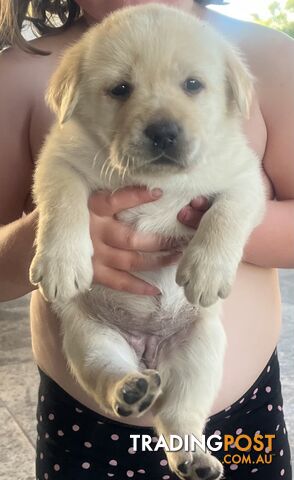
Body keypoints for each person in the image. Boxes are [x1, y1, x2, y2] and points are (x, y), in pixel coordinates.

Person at [0, 0, 293, 478]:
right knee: (91, 339)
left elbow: (245, 191)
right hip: (87, 422)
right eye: (119, 89)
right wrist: (56, 229)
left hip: (242, 412)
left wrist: (218, 233)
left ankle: (183, 435)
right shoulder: (20, 72)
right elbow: (55, 179)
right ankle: (119, 380)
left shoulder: (271, 58)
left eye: (192, 85)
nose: (161, 122)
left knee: (201, 347)